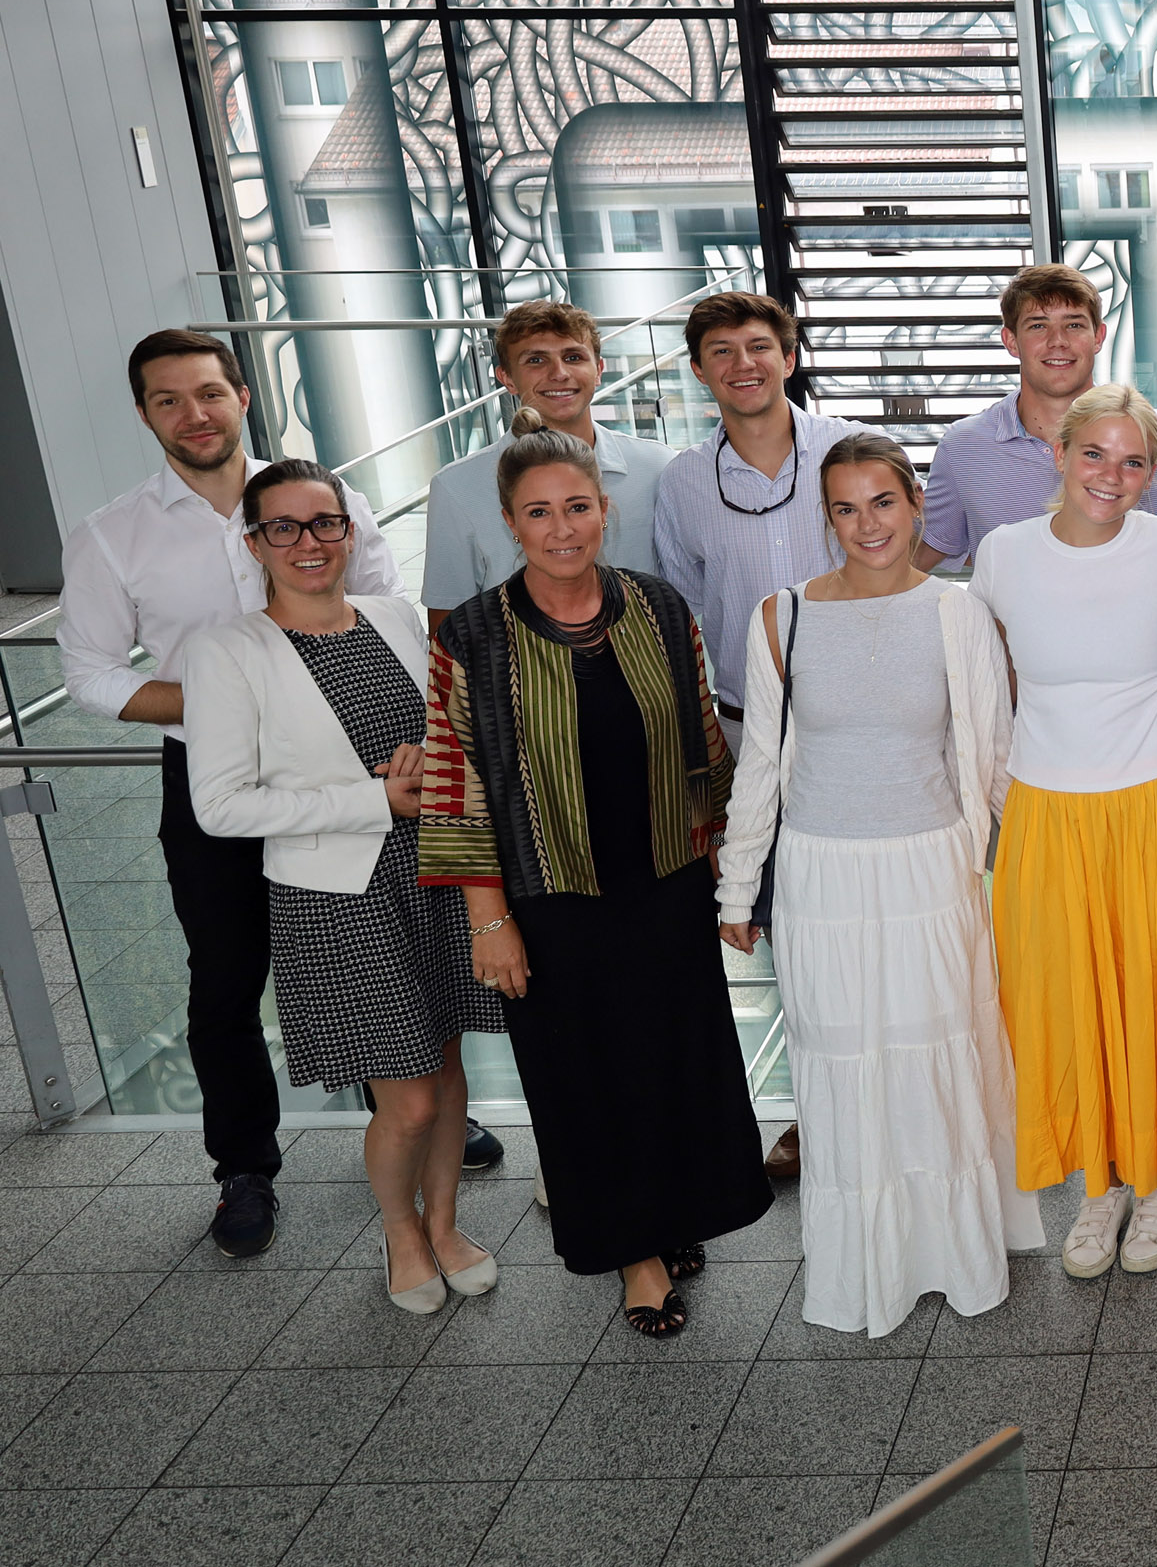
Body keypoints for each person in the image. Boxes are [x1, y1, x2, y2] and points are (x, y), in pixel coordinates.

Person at [420, 409, 770, 1338]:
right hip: (547, 897)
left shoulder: (659, 607)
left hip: (664, 880)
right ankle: (636, 1254)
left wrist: (730, 881)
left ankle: (678, 1211)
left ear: (604, 510)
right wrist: (489, 920)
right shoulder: (471, 639)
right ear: (510, 522)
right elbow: (455, 782)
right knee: (587, 1074)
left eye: (578, 506)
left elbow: (704, 745)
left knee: (676, 1057)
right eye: (540, 512)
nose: (563, 527)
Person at [58, 330, 405, 1257]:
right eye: (168, 400)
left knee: (369, 939)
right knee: (224, 979)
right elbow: (88, 669)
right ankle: (244, 1166)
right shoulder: (112, 532)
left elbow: (379, 612)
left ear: (242, 396)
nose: (193, 413)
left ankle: (406, 1107)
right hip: (207, 778)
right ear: (143, 414)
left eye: (209, 393)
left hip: (338, 761)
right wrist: (220, 703)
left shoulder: (328, 502)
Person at [715, 432, 1042, 1335]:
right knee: (844, 1064)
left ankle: (953, 1253)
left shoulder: (957, 612)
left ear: (913, 507)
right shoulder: (781, 616)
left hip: (932, 869)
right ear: (827, 517)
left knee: (936, 1057)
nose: (868, 524)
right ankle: (868, 1269)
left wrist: (1016, 870)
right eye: (846, 508)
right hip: (819, 876)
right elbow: (761, 770)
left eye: (884, 502)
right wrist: (738, 892)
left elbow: (996, 752)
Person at [186, 461, 503, 1313]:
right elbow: (218, 805)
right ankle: (399, 1231)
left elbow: (457, 734)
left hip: (435, 872)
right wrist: (373, 797)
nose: (308, 543)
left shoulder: (398, 618)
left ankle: (444, 1224)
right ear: (254, 542)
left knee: (447, 1071)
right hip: (337, 895)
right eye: (282, 527)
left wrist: (431, 761)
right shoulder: (227, 651)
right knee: (407, 1099)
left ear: (350, 530)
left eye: (323, 523)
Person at [970, 383, 1157, 1279]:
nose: (1114, 474)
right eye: (1096, 453)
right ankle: (1100, 1185)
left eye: (1136, 460)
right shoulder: (1003, 554)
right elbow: (991, 683)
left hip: (1152, 805)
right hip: (1045, 810)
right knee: (1068, 999)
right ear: (1059, 453)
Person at [654, 289, 873, 1181]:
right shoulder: (680, 483)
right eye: (721, 350)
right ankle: (822, 1114)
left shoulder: (848, 452)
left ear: (790, 354)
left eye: (759, 345)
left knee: (885, 913)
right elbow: (682, 613)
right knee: (794, 927)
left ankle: (901, 1097)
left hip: (866, 726)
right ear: (700, 369)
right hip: (753, 736)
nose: (743, 363)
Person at [916, 263, 1157, 571]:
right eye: (1038, 326)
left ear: (1098, 336)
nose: (1058, 341)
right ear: (1011, 340)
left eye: (1074, 325)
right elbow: (923, 553)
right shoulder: (963, 448)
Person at [423, 300, 677, 628]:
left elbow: (683, 593)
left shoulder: (658, 467)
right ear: (507, 378)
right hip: (522, 676)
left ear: (598, 370)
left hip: (644, 669)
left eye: (573, 357)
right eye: (536, 360)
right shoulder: (456, 487)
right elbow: (447, 628)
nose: (559, 373)